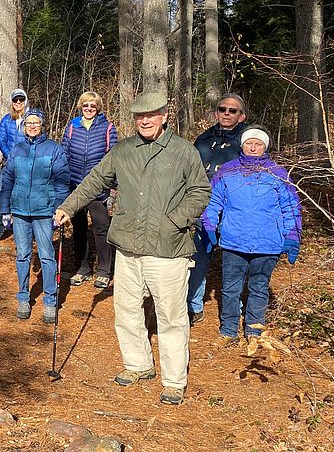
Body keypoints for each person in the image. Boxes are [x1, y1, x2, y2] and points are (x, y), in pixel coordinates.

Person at [55, 92, 211, 406]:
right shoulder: (123, 150)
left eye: (152, 114)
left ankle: (174, 381)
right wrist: (67, 207)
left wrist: (175, 220)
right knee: (126, 311)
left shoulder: (183, 151)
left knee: (171, 318)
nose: (146, 120)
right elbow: (95, 179)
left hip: (168, 249)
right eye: (140, 116)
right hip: (127, 246)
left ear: (164, 116)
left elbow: (200, 191)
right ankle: (138, 364)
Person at [201, 125, 302, 346]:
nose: (253, 147)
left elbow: (291, 207)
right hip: (233, 242)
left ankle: (255, 332)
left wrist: (293, 237)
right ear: (242, 145)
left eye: (258, 143)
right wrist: (209, 227)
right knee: (229, 289)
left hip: (268, 244)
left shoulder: (277, 173)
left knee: (259, 287)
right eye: (249, 143)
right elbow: (213, 202)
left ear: (265, 147)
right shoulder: (227, 171)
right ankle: (228, 331)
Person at [0, 108, 70, 323]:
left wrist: (59, 209)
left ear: (42, 126)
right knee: (22, 255)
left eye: (36, 123)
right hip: (19, 210)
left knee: (47, 256)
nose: (32, 126)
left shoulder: (53, 149)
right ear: (24, 126)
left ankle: (50, 300)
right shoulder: (17, 149)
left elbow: (62, 182)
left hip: (44, 211)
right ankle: (23, 297)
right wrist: (4, 209)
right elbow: (7, 180)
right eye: (28, 123)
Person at [187, 93, 248, 325]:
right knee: (197, 256)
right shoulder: (203, 140)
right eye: (223, 109)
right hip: (204, 207)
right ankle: (193, 305)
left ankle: (235, 310)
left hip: (235, 210)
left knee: (235, 260)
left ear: (241, 116)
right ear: (216, 113)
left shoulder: (248, 142)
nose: (226, 113)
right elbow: (190, 170)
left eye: (232, 110)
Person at [62, 91, 118, 289]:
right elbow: (64, 154)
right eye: (86, 106)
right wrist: (64, 184)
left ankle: (104, 270)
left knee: (101, 229)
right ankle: (82, 268)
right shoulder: (72, 126)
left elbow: (113, 158)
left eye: (92, 106)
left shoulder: (108, 128)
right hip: (76, 186)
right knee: (79, 229)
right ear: (81, 106)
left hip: (99, 188)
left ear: (98, 108)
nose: (89, 109)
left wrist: (111, 189)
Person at [0, 88, 30, 244]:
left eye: (21, 100)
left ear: (25, 101)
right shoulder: (6, 120)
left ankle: (24, 231)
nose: (18, 103)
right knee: (3, 196)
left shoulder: (31, 119)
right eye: (15, 100)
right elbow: (1, 140)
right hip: (8, 164)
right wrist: (10, 155)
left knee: (25, 197)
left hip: (27, 165)